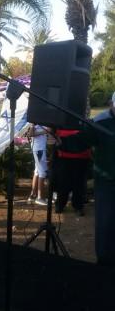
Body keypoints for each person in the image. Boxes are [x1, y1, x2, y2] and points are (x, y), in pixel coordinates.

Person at [57, 92, 115, 266]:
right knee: (105, 224)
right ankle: (104, 264)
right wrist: (60, 141)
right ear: (112, 103)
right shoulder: (101, 122)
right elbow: (81, 140)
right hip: (106, 182)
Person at [54, 128, 92, 216]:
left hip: (81, 158)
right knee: (63, 183)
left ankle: (78, 206)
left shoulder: (84, 123)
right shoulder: (62, 123)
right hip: (64, 158)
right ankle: (60, 204)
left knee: (78, 184)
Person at [27, 123, 50, 206]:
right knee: (42, 173)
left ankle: (33, 195)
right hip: (38, 150)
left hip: (39, 149)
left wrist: (43, 131)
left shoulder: (41, 122)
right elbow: (30, 134)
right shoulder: (34, 123)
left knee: (37, 171)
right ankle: (40, 198)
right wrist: (44, 131)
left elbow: (49, 130)